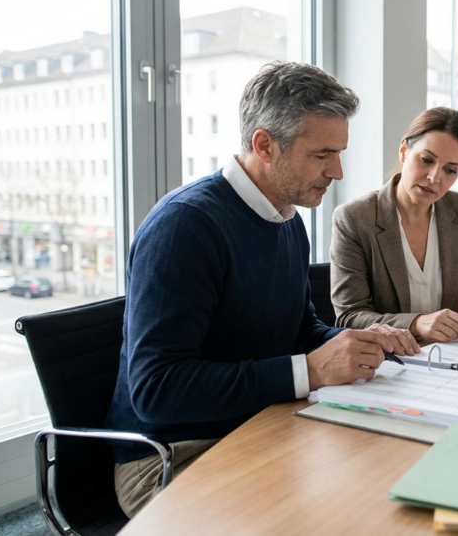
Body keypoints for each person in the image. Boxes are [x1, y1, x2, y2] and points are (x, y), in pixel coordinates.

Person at [104, 62, 419, 518]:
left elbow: (299, 329)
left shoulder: (287, 219)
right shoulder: (184, 227)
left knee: (383, 479)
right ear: (265, 145)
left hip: (260, 422)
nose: (337, 171)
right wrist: (310, 370)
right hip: (169, 456)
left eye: (339, 153)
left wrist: (355, 343)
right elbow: (158, 391)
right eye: (322, 154)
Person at [329, 107, 458, 343]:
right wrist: (417, 323)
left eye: (450, 170)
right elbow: (350, 316)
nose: (434, 178)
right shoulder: (354, 218)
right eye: (426, 160)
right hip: (390, 357)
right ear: (403, 151)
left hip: (455, 355)